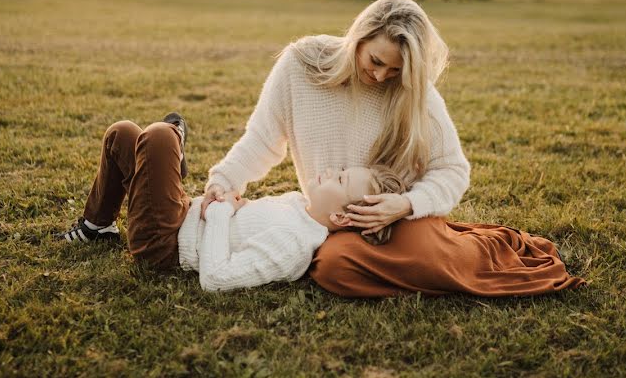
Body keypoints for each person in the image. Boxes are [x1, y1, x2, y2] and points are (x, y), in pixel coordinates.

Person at [202, 0, 584, 297]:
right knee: (334, 268)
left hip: (397, 220)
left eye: (396, 71)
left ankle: (478, 250)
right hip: (332, 223)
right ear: (359, 36)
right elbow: (263, 140)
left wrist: (406, 204)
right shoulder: (301, 66)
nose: (382, 75)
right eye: (376, 61)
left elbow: (452, 170)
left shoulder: (415, 93)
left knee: (424, 262)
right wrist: (225, 181)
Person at [58, 111, 405, 291]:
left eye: (340, 179)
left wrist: (223, 212)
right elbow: (243, 218)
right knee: (123, 134)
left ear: (343, 218)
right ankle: (97, 226)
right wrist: (231, 200)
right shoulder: (299, 204)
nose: (330, 171)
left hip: (164, 245)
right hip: (183, 212)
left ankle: (174, 139)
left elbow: (216, 279)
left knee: (160, 137)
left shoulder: (295, 247)